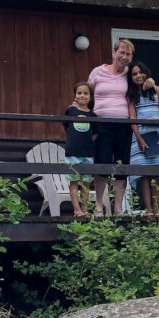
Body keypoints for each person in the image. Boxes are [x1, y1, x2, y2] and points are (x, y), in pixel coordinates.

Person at [87, 39, 136, 216]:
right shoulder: (97, 72)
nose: (124, 56)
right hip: (102, 122)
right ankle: (99, 206)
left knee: (121, 164)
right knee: (102, 162)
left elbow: (144, 79)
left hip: (123, 124)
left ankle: (118, 208)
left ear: (131, 57)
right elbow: (86, 93)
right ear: (113, 53)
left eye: (128, 53)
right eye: (121, 52)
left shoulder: (129, 74)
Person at [128, 62, 159, 216]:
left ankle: (156, 209)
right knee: (144, 174)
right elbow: (133, 118)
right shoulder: (132, 96)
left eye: (140, 73)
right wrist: (138, 138)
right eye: (134, 74)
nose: (138, 76)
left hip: (156, 136)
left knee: (155, 173)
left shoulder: (157, 90)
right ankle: (148, 209)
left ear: (146, 73)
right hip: (139, 137)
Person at [62, 82, 97, 217]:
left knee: (86, 183)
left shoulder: (93, 116)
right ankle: (76, 210)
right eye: (79, 93)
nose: (82, 95)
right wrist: (72, 139)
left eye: (86, 93)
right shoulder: (70, 111)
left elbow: (95, 133)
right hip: (73, 152)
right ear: (75, 95)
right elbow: (65, 126)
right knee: (74, 181)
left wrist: (86, 141)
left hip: (87, 152)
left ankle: (85, 209)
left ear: (90, 97)